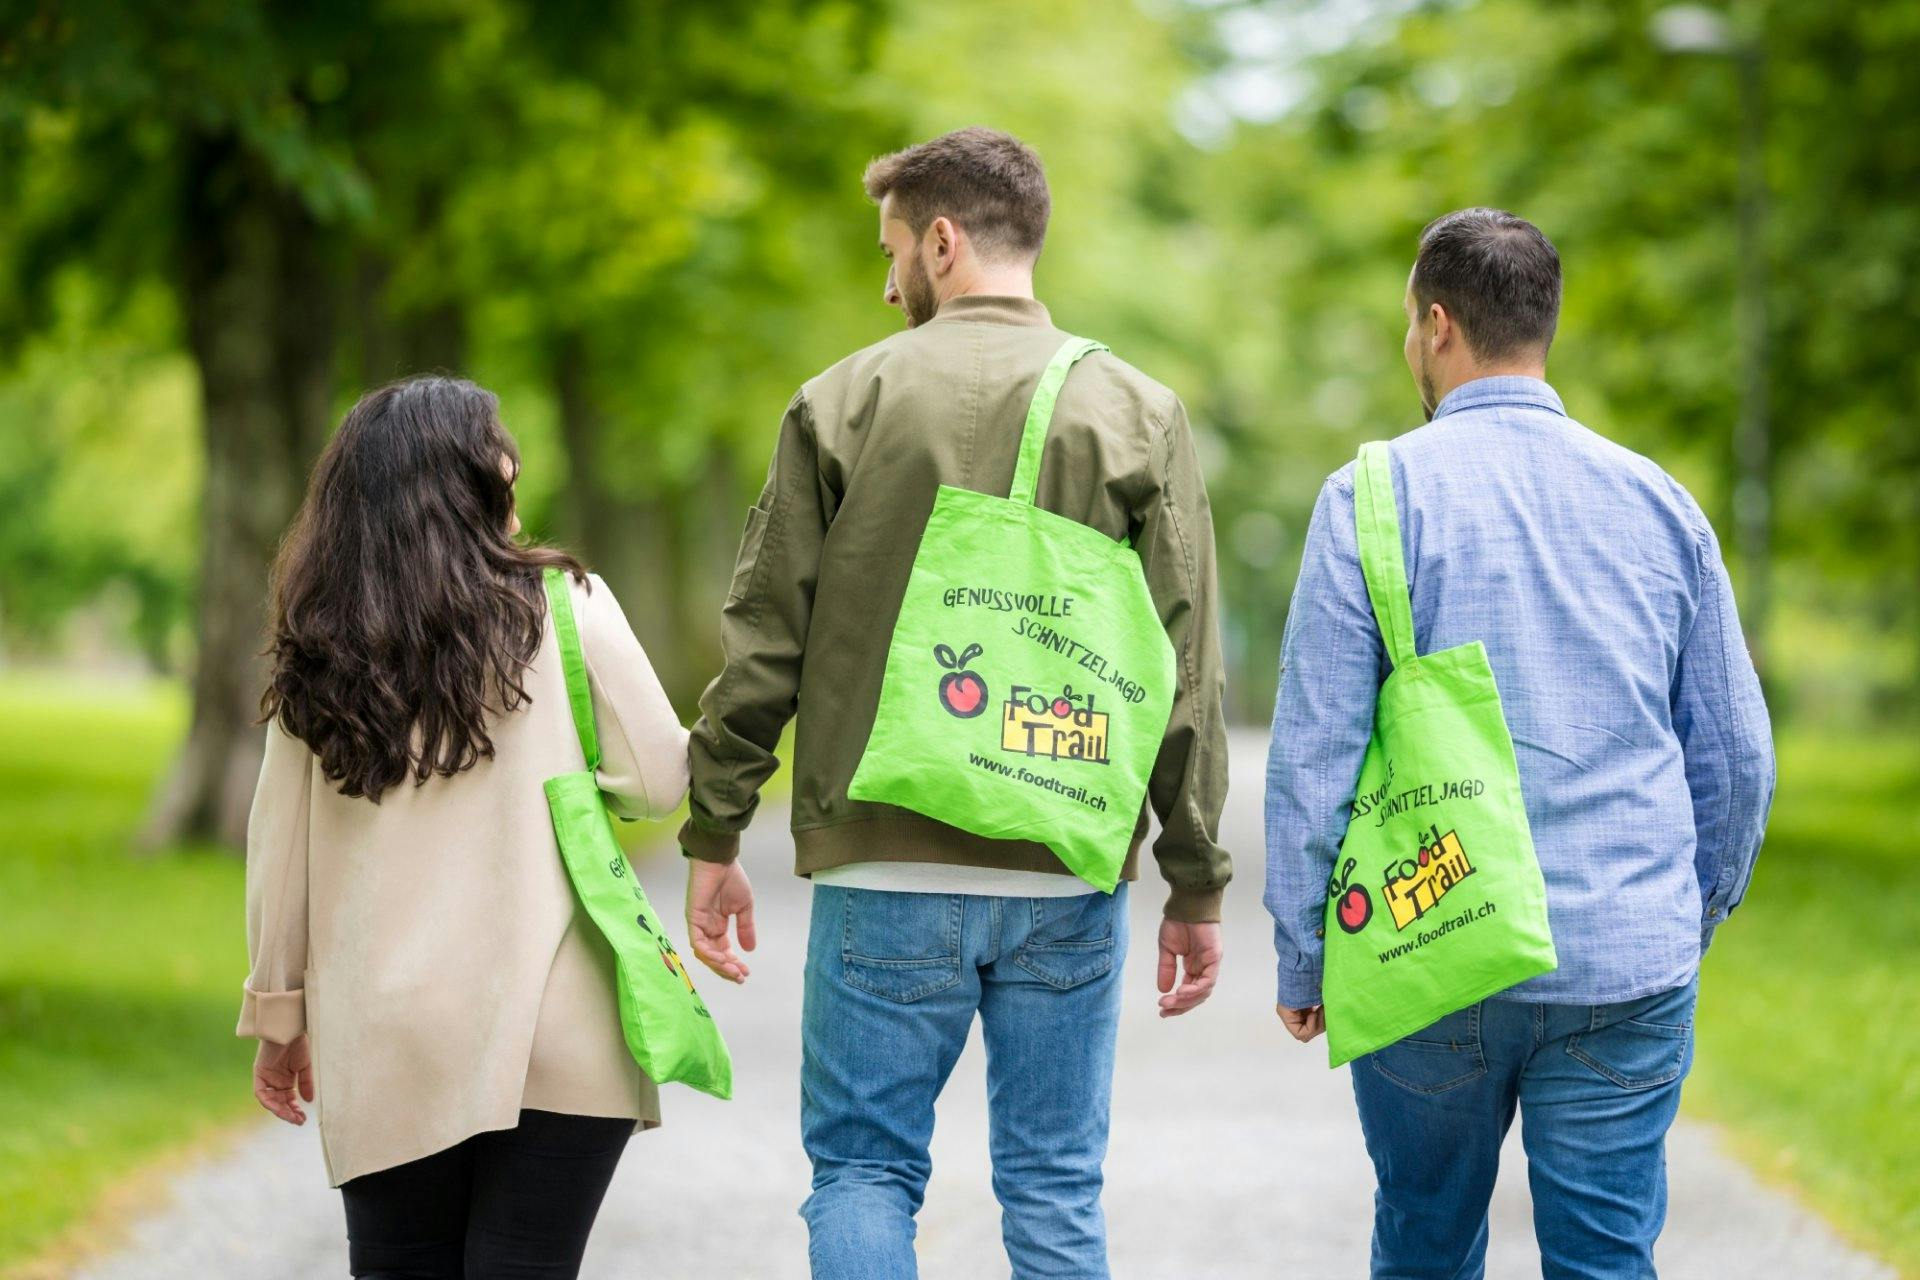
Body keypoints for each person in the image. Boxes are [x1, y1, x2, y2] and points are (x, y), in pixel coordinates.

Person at [678, 127, 1232, 1279]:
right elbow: (1185, 666)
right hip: (1062, 858)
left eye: (893, 253)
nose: (887, 286)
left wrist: (716, 824)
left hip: (882, 862)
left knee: (865, 1172)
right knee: (1054, 1186)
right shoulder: (1138, 412)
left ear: (942, 239)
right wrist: (1193, 873)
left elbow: (766, 634)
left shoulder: (843, 399)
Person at [1264, 208, 1775, 1278]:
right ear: (1543, 326)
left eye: (1411, 324)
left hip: (1427, 940)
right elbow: (1734, 755)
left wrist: (1307, 947)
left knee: (1425, 1238)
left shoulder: (1369, 498)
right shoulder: (1661, 503)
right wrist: (1692, 904)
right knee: (1603, 1256)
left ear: (1438, 324)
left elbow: (1316, 748)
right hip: (1624, 951)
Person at [238, 376, 690, 1280]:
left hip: (391, 1037)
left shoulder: (318, 646)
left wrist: (279, 1016)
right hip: (558, 1035)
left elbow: (279, 857)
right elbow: (660, 777)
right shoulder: (567, 606)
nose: (513, 463)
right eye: (499, 448)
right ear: (479, 479)